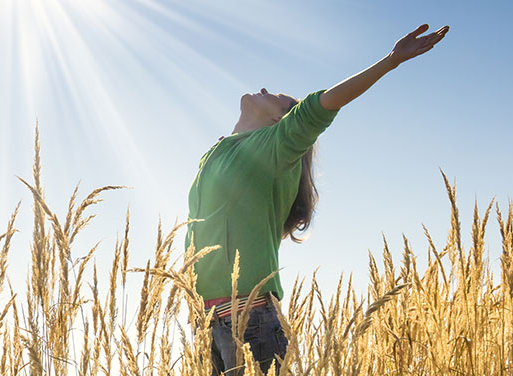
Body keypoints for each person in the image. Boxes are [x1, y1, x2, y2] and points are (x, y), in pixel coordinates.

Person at [185, 24, 449, 375]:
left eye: (277, 97)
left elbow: (319, 107)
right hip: (208, 324)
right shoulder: (216, 153)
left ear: (282, 121)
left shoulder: (273, 149)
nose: (264, 89)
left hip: (250, 322)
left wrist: (390, 61)